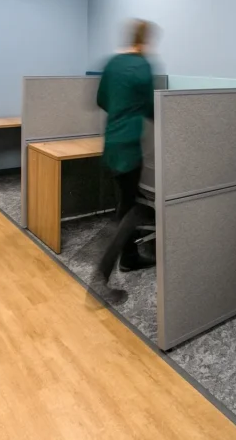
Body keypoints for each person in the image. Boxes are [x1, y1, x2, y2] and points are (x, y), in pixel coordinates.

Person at [93, 19, 157, 304]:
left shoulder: (112, 64)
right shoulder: (143, 66)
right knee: (129, 211)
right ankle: (100, 277)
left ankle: (129, 258)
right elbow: (152, 108)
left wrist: (121, 110)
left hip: (111, 142)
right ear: (144, 41)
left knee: (124, 202)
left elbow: (101, 99)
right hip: (130, 147)